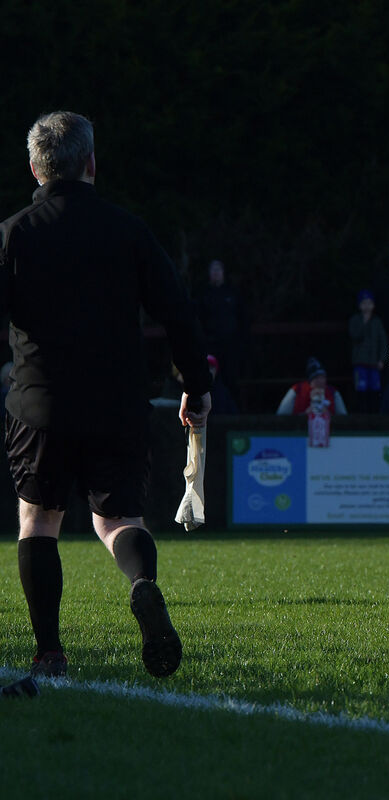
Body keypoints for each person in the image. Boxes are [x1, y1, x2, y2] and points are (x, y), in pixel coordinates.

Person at [0, 111, 212, 679]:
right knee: (118, 519)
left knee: (39, 522)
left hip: (39, 405)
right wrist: (197, 385)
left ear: (34, 167)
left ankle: (49, 652)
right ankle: (143, 584)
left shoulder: (16, 232)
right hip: (117, 404)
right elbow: (179, 314)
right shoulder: (128, 230)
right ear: (91, 163)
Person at [196, 258, 249, 396]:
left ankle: (232, 411)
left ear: (223, 272)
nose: (216, 273)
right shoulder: (204, 294)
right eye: (213, 269)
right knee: (210, 377)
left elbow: (242, 317)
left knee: (231, 377)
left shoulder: (232, 292)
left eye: (218, 269)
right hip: (211, 344)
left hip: (230, 344)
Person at [348, 288, 388, 412]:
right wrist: (364, 322)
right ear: (359, 305)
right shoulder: (355, 320)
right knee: (361, 390)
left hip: (374, 363)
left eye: (369, 303)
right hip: (360, 362)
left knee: (375, 390)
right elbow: (354, 336)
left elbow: (383, 342)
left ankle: (374, 415)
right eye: (364, 303)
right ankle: (361, 415)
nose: (367, 306)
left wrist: (382, 359)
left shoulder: (377, 322)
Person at [276, 357, 348, 415]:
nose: (321, 381)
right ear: (310, 380)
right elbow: (281, 416)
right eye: (317, 378)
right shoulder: (297, 390)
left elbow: (344, 418)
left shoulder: (333, 392)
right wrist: (304, 415)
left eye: (323, 377)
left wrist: (327, 415)